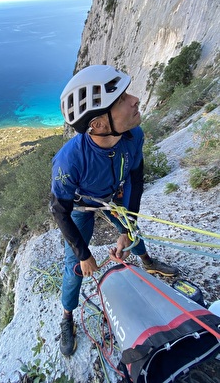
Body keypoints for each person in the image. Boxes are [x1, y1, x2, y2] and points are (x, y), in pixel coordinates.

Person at [50, 65, 179, 357]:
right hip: (82, 206)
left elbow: (135, 178)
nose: (134, 99)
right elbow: (60, 211)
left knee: (133, 232)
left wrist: (127, 228)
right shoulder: (69, 161)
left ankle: (147, 260)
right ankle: (67, 316)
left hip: (112, 197)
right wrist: (84, 255)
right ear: (97, 124)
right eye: (121, 99)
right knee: (74, 266)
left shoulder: (133, 136)